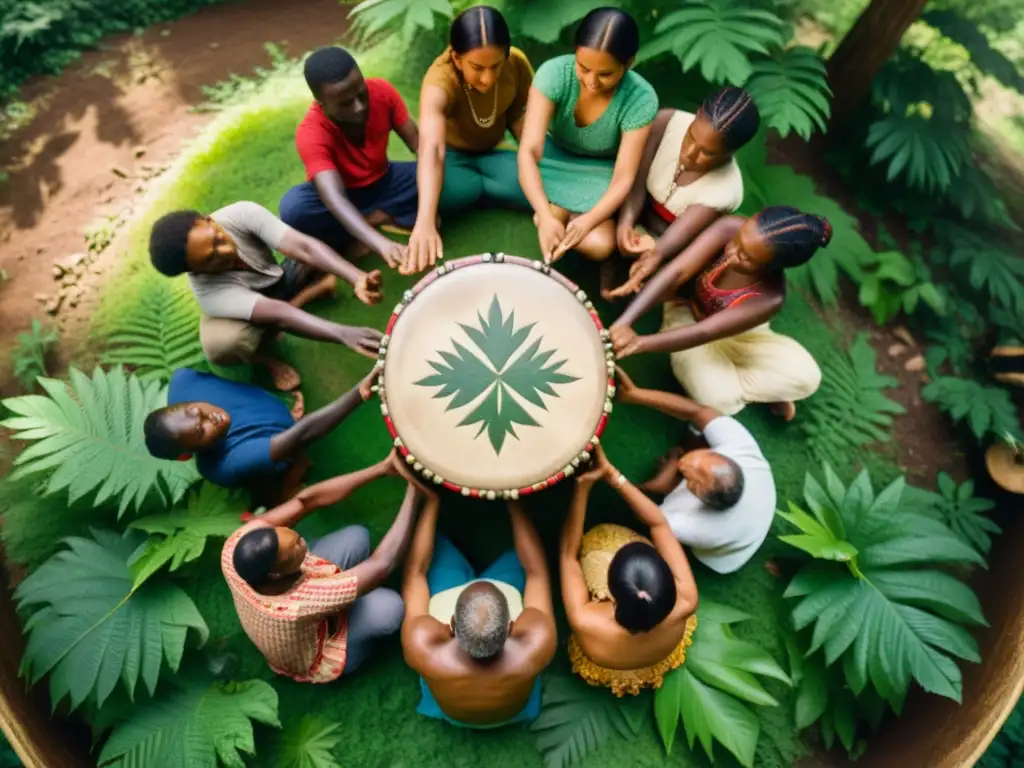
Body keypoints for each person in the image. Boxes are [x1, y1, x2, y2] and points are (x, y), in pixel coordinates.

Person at [609, 206, 831, 420]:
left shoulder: (771, 296)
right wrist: (626, 322)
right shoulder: (729, 226)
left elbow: (705, 332)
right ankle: (747, 386)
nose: (732, 253)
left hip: (731, 333)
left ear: (772, 267)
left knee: (807, 377)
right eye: (737, 242)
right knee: (719, 398)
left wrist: (639, 342)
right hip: (685, 315)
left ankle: (742, 386)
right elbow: (676, 272)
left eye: (746, 258)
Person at [220, 450, 419, 682]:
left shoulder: (234, 548)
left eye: (292, 535)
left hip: (295, 611)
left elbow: (305, 502)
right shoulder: (298, 606)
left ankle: (356, 586)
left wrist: (382, 468)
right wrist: (415, 488)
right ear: (275, 574)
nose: (301, 539)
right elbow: (383, 564)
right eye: (296, 546)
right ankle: (356, 649)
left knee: (356, 537)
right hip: (317, 649)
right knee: (389, 608)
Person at [149, 201, 383, 390]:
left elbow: (304, 248)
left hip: (280, 278)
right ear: (195, 271)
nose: (226, 251)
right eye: (210, 259)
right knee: (221, 345)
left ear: (208, 219)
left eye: (218, 239)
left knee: (311, 224)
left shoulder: (240, 214)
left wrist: (356, 277)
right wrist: (343, 334)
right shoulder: (210, 293)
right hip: (256, 308)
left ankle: (316, 288)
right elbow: (280, 315)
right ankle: (268, 361)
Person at [401, 470, 557, 727]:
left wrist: (432, 501)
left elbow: (415, 574)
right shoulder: (536, 645)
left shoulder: (423, 648)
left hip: (453, 710)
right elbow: (536, 572)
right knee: (523, 560)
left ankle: (446, 541)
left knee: (434, 547)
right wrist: (514, 499)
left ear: (451, 624)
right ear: (510, 626)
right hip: (514, 707)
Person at [517, 7, 658, 271]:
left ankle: (564, 216)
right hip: (552, 161)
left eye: (605, 74)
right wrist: (546, 217)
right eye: (583, 68)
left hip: (602, 174)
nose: (591, 82)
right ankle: (552, 213)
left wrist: (589, 220)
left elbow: (624, 178)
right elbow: (528, 151)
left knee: (600, 245)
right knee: (548, 220)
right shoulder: (553, 74)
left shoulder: (641, 98)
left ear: (628, 64)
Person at [405, 6, 535, 274]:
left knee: (538, 184)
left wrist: (540, 167)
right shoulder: (439, 81)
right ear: (456, 57)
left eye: (495, 66)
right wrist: (425, 222)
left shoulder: (517, 64)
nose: (487, 78)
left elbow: (522, 120)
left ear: (507, 54)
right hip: (452, 159)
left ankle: (484, 190)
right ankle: (486, 190)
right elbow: (432, 150)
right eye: (477, 68)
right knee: (438, 195)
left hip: (494, 153)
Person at [560, 445, 698, 696]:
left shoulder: (587, 620)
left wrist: (581, 489)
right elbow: (658, 523)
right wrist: (613, 476)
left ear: (611, 592)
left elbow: (568, 555)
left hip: (608, 651)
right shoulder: (687, 599)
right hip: (658, 645)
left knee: (600, 541)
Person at [614, 366, 775, 574]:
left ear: (694, 489)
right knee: (703, 426)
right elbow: (699, 412)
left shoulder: (688, 525)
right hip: (758, 501)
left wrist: (619, 479)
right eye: (708, 455)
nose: (691, 459)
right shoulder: (741, 449)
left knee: (650, 497)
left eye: (690, 473)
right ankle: (670, 481)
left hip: (724, 556)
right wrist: (635, 394)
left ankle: (667, 485)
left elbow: (650, 518)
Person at [144, 368, 379, 506]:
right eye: (200, 431)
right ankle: (294, 474)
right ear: (187, 455)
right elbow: (300, 436)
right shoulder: (225, 466)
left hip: (272, 410)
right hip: (282, 441)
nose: (210, 418)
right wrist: (359, 393)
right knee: (279, 469)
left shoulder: (183, 379)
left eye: (194, 411)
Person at [608, 87, 760, 299]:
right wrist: (626, 223)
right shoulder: (666, 122)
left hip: (670, 245)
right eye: (690, 136)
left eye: (707, 152)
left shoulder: (727, 189)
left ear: (730, 153)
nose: (689, 154)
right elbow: (635, 183)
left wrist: (654, 256)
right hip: (630, 209)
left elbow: (671, 241)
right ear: (696, 114)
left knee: (668, 279)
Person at [279, 46, 418, 270]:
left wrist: (428, 218)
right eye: (345, 104)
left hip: (386, 181)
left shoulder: (382, 92)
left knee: (443, 170)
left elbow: (422, 147)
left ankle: (367, 222)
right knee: (294, 209)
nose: (359, 107)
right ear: (322, 105)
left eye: (361, 93)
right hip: (344, 195)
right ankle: (376, 222)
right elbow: (335, 199)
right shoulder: (311, 132)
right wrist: (381, 244)